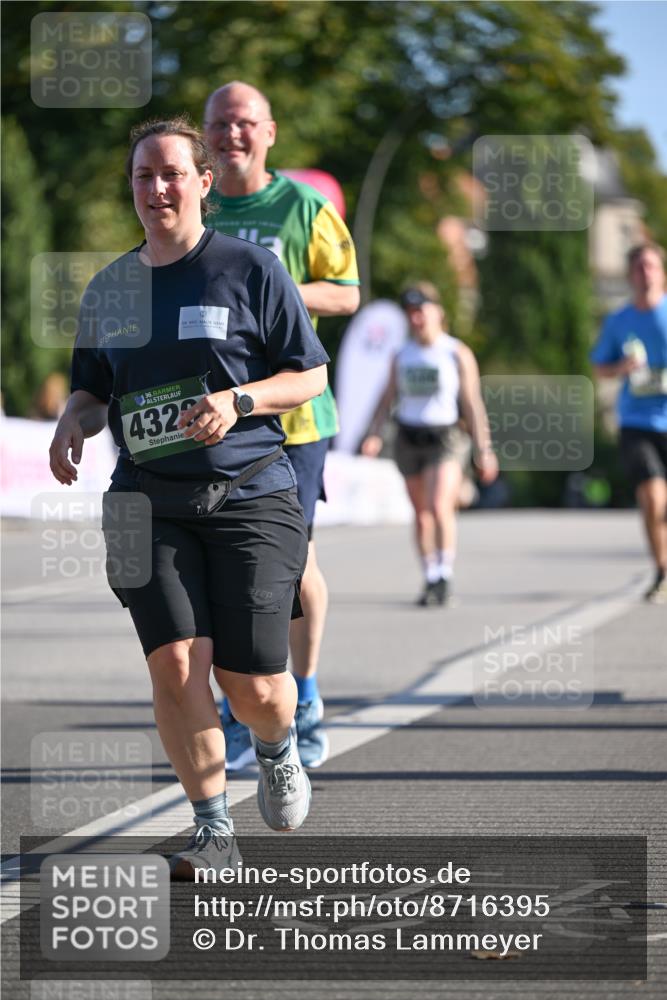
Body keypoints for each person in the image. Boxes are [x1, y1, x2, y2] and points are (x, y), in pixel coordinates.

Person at [48, 117, 330, 877]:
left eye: (172, 172)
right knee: (175, 665)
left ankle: (275, 746)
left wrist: (238, 403)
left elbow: (309, 375)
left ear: (204, 183)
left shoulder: (249, 269)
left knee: (255, 687)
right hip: (144, 495)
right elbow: (93, 388)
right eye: (143, 175)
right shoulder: (111, 286)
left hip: (248, 492)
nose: (157, 187)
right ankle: (213, 830)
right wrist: (72, 422)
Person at [203, 81, 360, 769]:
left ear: (268, 132)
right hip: (206, 418)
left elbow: (348, 292)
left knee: (287, 567)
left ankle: (303, 693)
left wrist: (269, 284)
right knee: (219, 573)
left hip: (292, 418)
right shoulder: (192, 203)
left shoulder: (301, 206)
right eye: (218, 124)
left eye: (243, 124)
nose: (230, 135)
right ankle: (243, 708)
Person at [361, 283, 498, 605]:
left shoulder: (455, 352)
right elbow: (386, 398)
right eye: (411, 313)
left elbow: (472, 403)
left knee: (439, 506)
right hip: (409, 436)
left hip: (445, 437)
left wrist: (484, 449)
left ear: (439, 312)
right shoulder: (401, 355)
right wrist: (374, 433)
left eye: (422, 310)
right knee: (421, 513)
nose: (417, 318)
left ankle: (444, 573)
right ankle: (430, 576)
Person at [591, 242, 667, 604]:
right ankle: (662, 570)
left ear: (662, 272)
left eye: (651, 266)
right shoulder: (619, 321)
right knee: (653, 498)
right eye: (639, 268)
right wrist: (622, 368)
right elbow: (599, 367)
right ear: (630, 275)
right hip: (637, 421)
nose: (645, 273)